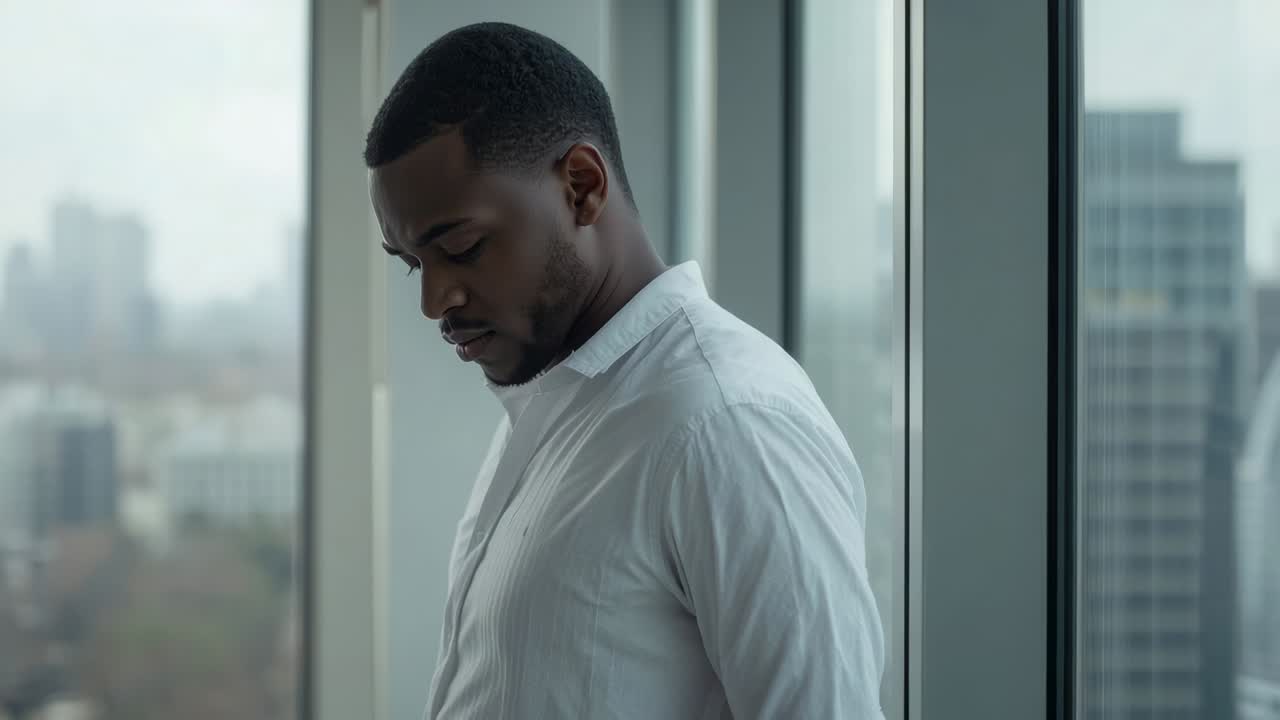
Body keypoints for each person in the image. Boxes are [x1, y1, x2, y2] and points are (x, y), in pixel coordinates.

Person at [365, 22, 885, 720]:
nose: (435, 301)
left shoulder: (727, 424)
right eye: (411, 264)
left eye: (460, 246)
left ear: (582, 186)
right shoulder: (560, 403)